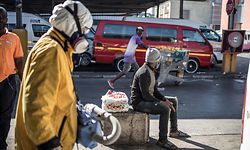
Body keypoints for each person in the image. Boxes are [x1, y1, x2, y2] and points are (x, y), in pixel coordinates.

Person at [15, 1, 93, 150]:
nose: (85, 34)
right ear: (72, 25)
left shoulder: (59, 47)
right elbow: (36, 106)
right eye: (85, 28)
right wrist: (49, 143)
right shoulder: (51, 51)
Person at [130, 48, 189, 149]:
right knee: (165, 109)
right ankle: (162, 140)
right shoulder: (144, 72)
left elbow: (154, 90)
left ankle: (174, 131)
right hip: (139, 103)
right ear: (156, 61)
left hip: (147, 98)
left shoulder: (151, 70)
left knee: (173, 101)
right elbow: (145, 95)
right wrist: (161, 102)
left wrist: (164, 99)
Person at [0, 7, 24, 150]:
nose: (0, 20)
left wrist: (25, 82)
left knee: (5, 116)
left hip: (8, 82)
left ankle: (1, 144)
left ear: (6, 19)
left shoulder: (14, 38)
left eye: (2, 17)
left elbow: (19, 62)